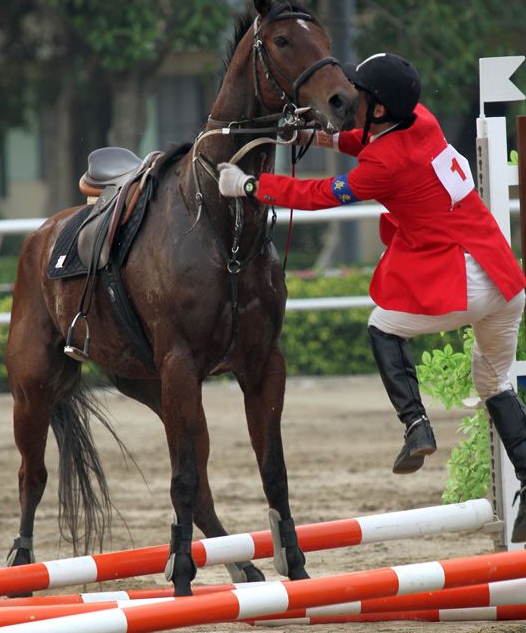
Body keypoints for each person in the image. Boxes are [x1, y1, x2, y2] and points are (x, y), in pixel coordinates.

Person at [218, 52, 526, 542]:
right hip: (505, 280)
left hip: (466, 278)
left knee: (382, 324)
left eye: (360, 95)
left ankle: (416, 424)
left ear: (380, 109)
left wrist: (252, 185)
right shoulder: (421, 119)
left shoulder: (384, 165)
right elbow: (367, 139)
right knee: (493, 382)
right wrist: (319, 136)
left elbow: (320, 194)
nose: (352, 99)